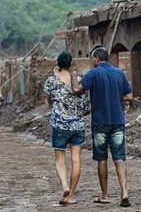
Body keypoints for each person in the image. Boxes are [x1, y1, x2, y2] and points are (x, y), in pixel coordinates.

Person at [71, 46, 133, 207]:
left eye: (93, 59)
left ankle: (105, 195)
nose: (93, 61)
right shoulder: (119, 72)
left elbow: (77, 89)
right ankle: (124, 193)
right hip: (118, 121)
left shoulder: (93, 73)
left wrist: (73, 76)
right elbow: (129, 96)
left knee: (102, 159)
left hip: (100, 123)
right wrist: (115, 97)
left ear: (96, 59)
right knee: (119, 158)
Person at [43, 51, 89, 205]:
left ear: (58, 63)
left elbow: (49, 100)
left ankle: (64, 186)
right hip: (77, 125)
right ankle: (71, 196)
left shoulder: (51, 81)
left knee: (60, 160)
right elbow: (85, 106)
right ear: (71, 64)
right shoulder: (78, 81)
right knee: (76, 161)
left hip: (59, 124)